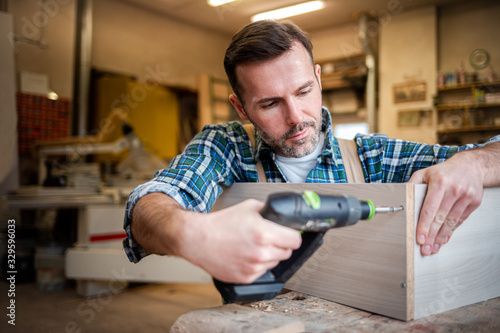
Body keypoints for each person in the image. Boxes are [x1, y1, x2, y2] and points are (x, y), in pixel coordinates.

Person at [123, 20, 500, 284]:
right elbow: (151, 204)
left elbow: (491, 151)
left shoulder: (374, 157)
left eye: (304, 92)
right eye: (270, 104)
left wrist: (471, 164)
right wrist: (193, 234)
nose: (296, 117)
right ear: (242, 109)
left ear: (318, 80)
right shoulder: (226, 146)